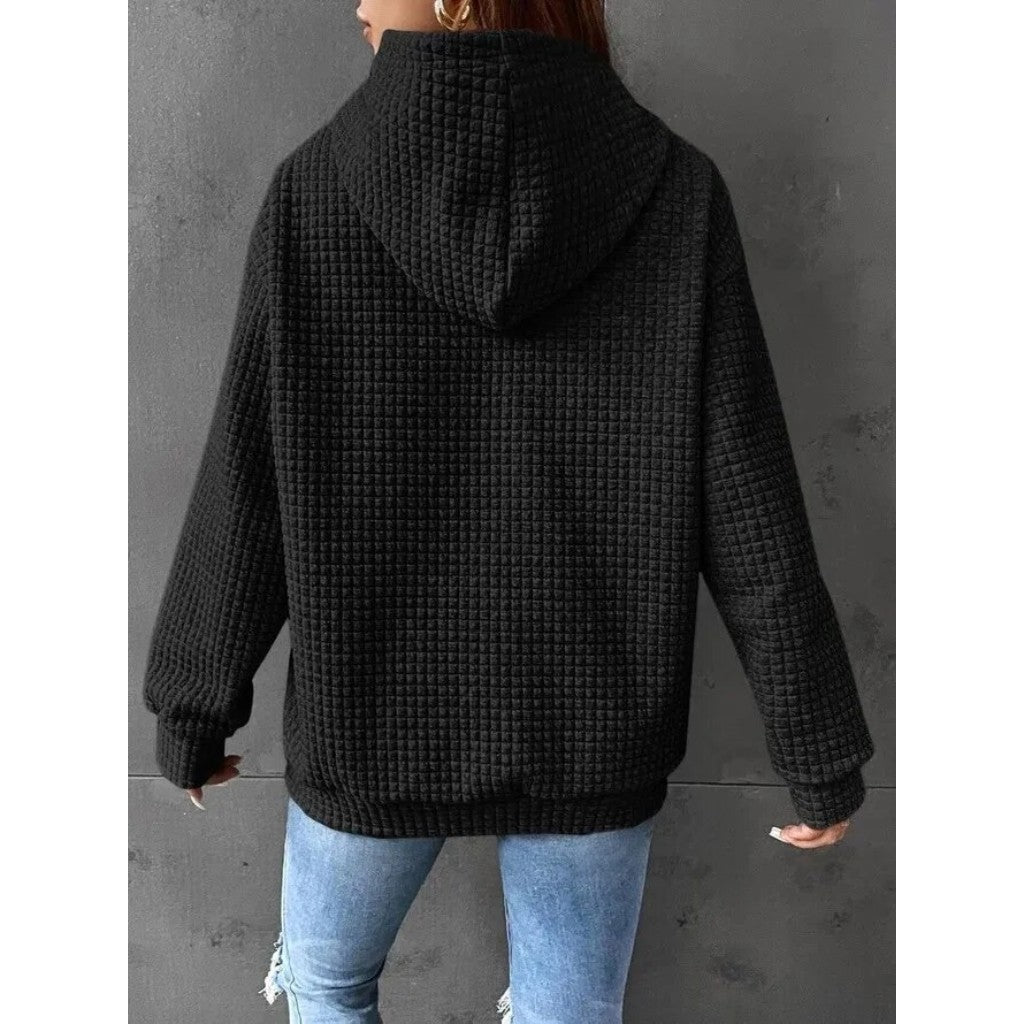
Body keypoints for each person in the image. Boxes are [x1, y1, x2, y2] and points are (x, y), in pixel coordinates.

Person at [141, 1, 876, 1021]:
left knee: (326, 990)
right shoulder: (675, 191)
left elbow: (246, 481)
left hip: (372, 725)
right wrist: (816, 747)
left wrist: (194, 703)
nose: (357, 3)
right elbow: (747, 499)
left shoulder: (315, 189)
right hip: (594, 730)